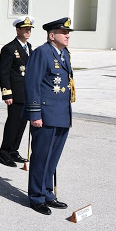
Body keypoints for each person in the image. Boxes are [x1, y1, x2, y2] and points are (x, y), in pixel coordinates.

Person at [25, 17, 75, 215]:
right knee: (40, 158)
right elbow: (32, 84)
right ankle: (36, 197)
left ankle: (47, 193)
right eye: (64, 33)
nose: (68, 35)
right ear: (52, 35)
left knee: (52, 159)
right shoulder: (41, 53)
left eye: (68, 32)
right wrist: (35, 113)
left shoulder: (64, 55)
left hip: (62, 114)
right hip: (45, 115)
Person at [0, 16, 34, 167]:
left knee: (22, 123)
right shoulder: (9, 48)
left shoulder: (29, 47)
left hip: (27, 93)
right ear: (17, 30)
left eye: (30, 29)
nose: (28, 31)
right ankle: (4, 152)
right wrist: (7, 93)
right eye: (25, 28)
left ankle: (14, 150)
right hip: (15, 93)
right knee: (13, 123)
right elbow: (3, 72)